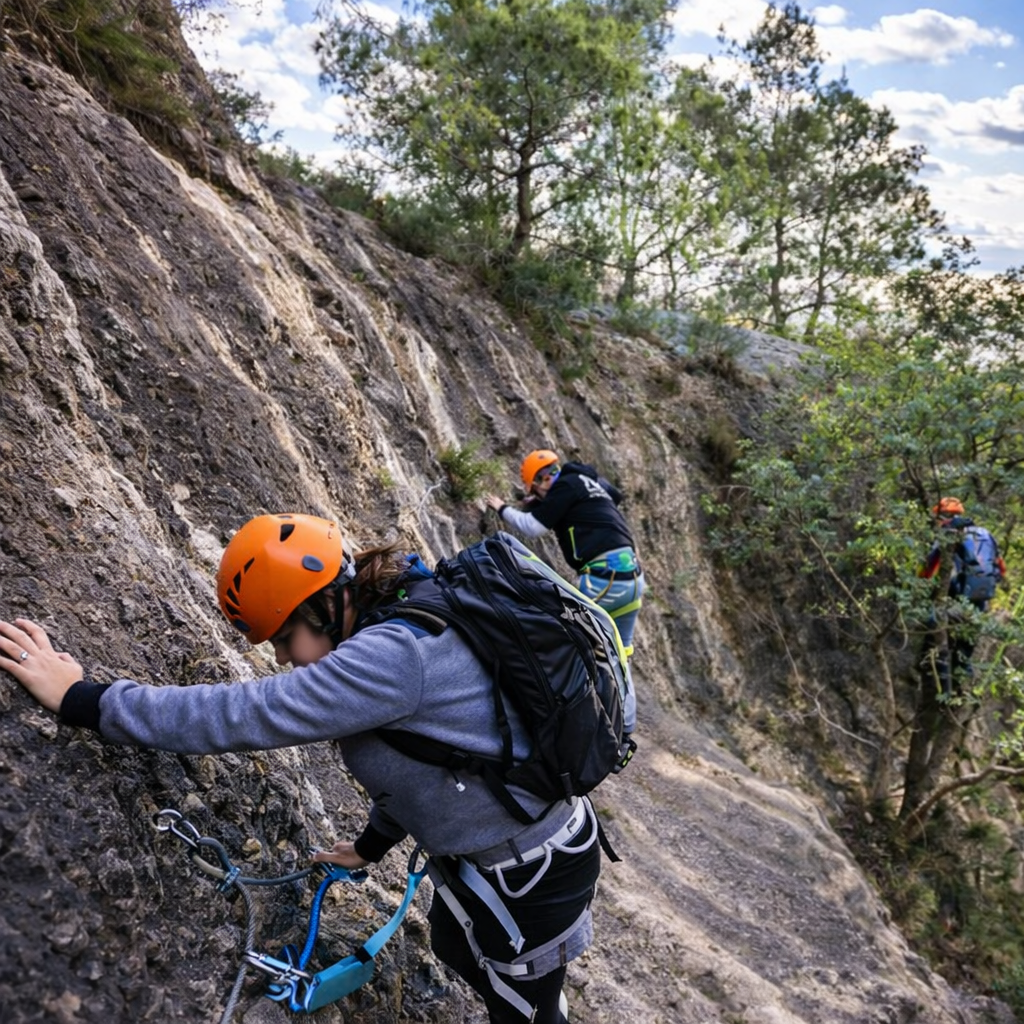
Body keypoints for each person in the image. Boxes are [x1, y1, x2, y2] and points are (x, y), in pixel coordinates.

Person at [0, 512, 600, 1024]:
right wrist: (372, 843)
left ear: (322, 603)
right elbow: (435, 751)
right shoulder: (393, 614)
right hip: (506, 859)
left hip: (528, 874)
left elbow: (242, 715)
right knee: (457, 946)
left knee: (523, 1009)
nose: (284, 658)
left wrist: (83, 699)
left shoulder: (389, 656)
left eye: (284, 637)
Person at [485, 449, 646, 664]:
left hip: (605, 579)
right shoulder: (591, 482)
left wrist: (502, 507)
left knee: (557, 631)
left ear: (540, 482)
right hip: (634, 580)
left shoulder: (565, 486)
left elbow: (532, 527)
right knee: (619, 654)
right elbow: (614, 496)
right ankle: (616, 694)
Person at [917, 497, 1006, 694]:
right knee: (966, 646)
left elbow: (925, 572)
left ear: (942, 517)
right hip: (980, 600)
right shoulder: (985, 534)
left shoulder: (947, 535)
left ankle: (941, 688)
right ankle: (962, 684)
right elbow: (1001, 568)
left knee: (933, 623)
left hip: (955, 599)